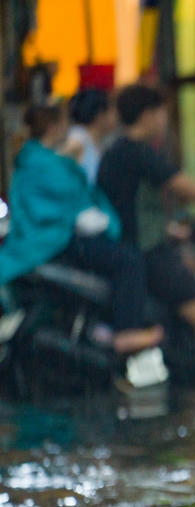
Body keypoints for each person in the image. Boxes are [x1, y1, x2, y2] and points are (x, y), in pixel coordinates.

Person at [97, 83, 195, 388]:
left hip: (136, 246)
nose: (164, 121)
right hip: (148, 252)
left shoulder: (114, 152)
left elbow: (126, 207)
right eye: (161, 114)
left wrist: (172, 229)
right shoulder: (138, 153)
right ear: (147, 115)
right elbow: (185, 186)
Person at [0, 102, 162, 354]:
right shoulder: (46, 162)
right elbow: (67, 202)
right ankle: (126, 331)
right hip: (54, 238)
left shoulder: (34, 158)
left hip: (47, 236)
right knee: (129, 259)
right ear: (54, 126)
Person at [64, 87, 115, 184]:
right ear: (100, 115)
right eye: (111, 111)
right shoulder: (78, 137)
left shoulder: (97, 140)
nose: (115, 116)